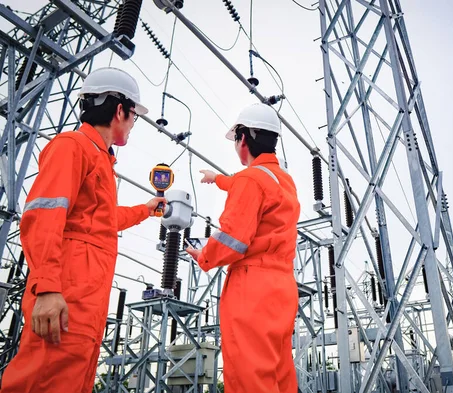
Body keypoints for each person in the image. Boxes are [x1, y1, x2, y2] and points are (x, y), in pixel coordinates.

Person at [0, 67, 165, 393]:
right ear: (120, 110)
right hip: (64, 295)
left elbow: (101, 221)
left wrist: (144, 211)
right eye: (134, 116)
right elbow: (42, 216)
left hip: (84, 303)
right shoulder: (72, 146)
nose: (133, 124)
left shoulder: (98, 158)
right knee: (40, 382)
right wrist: (47, 287)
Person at [186, 103, 301, 393]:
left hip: (252, 287)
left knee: (249, 377)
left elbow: (233, 240)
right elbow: (251, 185)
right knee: (278, 374)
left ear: (244, 138)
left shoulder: (251, 180)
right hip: (282, 287)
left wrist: (205, 256)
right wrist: (219, 179)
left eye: (236, 139)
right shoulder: (284, 181)